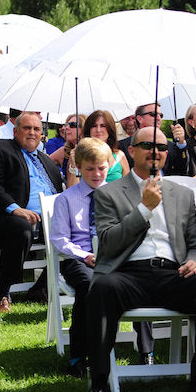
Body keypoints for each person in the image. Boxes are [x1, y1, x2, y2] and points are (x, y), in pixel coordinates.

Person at [83, 126, 196, 392]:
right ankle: (99, 383)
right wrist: (143, 209)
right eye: (148, 145)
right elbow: (108, 244)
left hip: (173, 274)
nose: (156, 151)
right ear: (132, 150)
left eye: (162, 147)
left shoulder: (182, 194)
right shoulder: (109, 193)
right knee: (101, 289)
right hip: (128, 274)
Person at [0, 112, 63, 312]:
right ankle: (2, 293)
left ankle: (41, 287)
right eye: (27, 128)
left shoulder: (47, 162)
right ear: (15, 131)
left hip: (49, 220)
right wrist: (15, 208)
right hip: (5, 217)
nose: (32, 132)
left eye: (37, 129)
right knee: (21, 226)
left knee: (83, 229)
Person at [50, 137, 111, 377]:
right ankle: (78, 356)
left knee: (140, 277)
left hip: (112, 255)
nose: (96, 174)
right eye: (89, 169)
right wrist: (86, 255)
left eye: (101, 168)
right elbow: (59, 239)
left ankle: (145, 351)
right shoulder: (66, 198)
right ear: (78, 167)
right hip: (78, 258)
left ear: (109, 165)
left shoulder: (117, 195)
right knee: (88, 285)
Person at [118, 102, 190, 176]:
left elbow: (182, 172)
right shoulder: (122, 146)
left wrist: (181, 143)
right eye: (153, 114)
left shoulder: (170, 146)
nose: (158, 118)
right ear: (140, 119)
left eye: (160, 115)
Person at [66, 110, 130, 187]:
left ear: (110, 129)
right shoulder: (78, 155)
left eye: (103, 126)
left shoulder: (120, 156)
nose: (98, 130)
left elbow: (128, 187)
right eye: (94, 126)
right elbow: (72, 189)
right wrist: (74, 165)